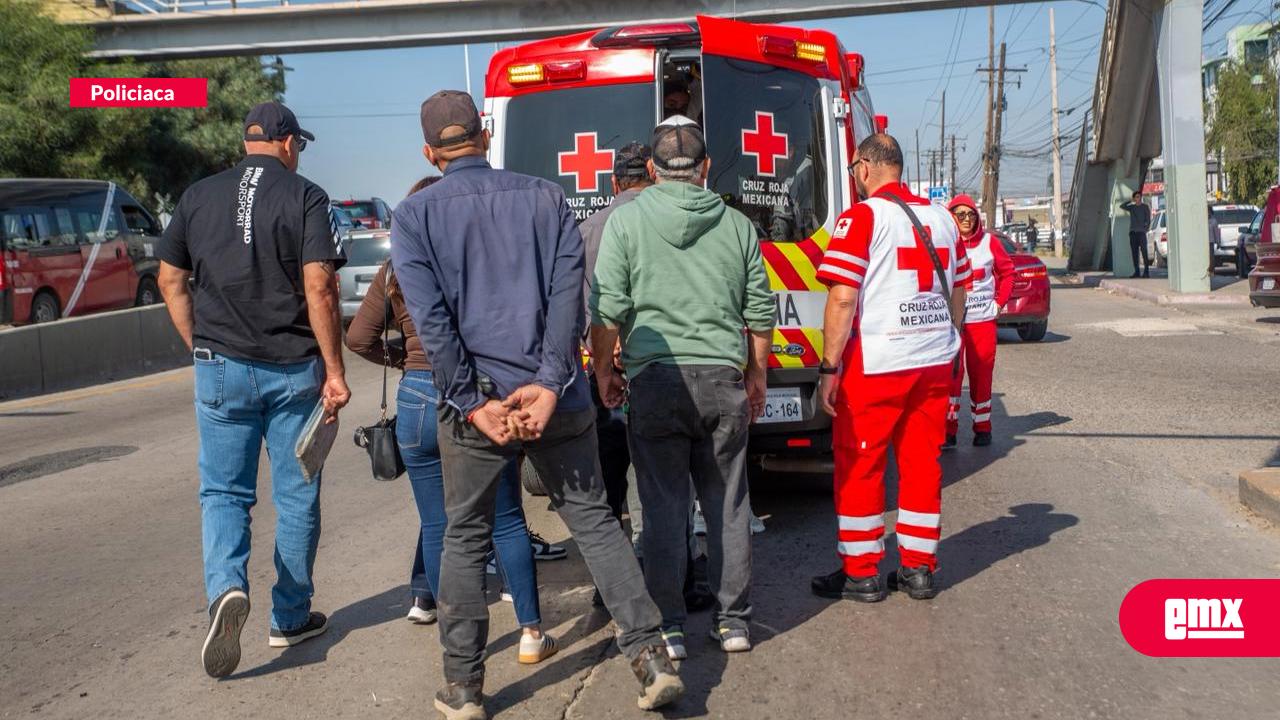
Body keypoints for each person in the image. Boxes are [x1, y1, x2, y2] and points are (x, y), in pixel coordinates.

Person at [390, 90, 682, 720]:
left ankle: (464, 689)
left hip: (476, 407)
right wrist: (550, 384)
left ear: (429, 152)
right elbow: (569, 300)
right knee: (595, 523)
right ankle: (651, 656)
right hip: (559, 399)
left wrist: (473, 402)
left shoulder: (413, 217)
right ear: (484, 134)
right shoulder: (548, 198)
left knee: (465, 536)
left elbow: (433, 323)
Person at [155, 101, 350, 678]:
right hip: (292, 371)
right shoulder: (306, 196)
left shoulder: (197, 196)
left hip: (219, 365)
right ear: (287, 143)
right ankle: (289, 616)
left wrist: (199, 345)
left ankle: (226, 590)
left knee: (223, 493)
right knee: (297, 493)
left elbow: (169, 278)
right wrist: (335, 370)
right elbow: (319, 286)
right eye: (299, 145)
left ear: (247, 142)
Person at [345, 177, 557, 665]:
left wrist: (404, 360)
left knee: (438, 525)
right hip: (477, 392)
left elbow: (357, 338)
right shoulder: (474, 253)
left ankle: (455, 641)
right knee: (506, 518)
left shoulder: (397, 265)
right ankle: (530, 632)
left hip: (417, 396)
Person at [590, 115, 773, 658]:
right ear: (706, 167)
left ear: (652, 169)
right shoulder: (737, 226)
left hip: (655, 383)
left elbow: (607, 309)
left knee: (663, 510)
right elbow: (759, 313)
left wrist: (604, 371)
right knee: (727, 507)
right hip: (722, 381)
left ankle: (669, 628)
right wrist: (756, 374)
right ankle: (733, 622)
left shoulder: (626, 222)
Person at [810, 134, 969, 603]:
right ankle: (918, 570)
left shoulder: (862, 217)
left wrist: (829, 367)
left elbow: (843, 299)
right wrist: (945, 337)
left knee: (861, 464)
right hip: (933, 362)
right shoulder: (942, 219)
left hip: (878, 364)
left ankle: (861, 573)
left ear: (863, 168)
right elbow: (959, 290)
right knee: (921, 463)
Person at [944, 194, 1014, 448]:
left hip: (982, 321)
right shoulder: (945, 242)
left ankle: (982, 428)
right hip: (953, 324)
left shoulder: (989, 242)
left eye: (971, 214)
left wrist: (999, 303)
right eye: (960, 214)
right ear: (951, 216)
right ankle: (948, 431)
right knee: (952, 377)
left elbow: (1008, 273)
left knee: (981, 375)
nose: (967, 219)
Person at [1120, 191, 1151, 278]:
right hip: (1133, 233)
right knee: (1134, 253)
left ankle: (1146, 272)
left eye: (1139, 196)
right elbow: (1122, 206)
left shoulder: (1145, 207)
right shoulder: (1132, 207)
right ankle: (1136, 272)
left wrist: (1145, 229)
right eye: (1136, 197)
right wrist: (1131, 201)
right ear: (1134, 198)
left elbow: (1148, 219)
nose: (1138, 198)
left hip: (1141, 233)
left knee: (1144, 252)